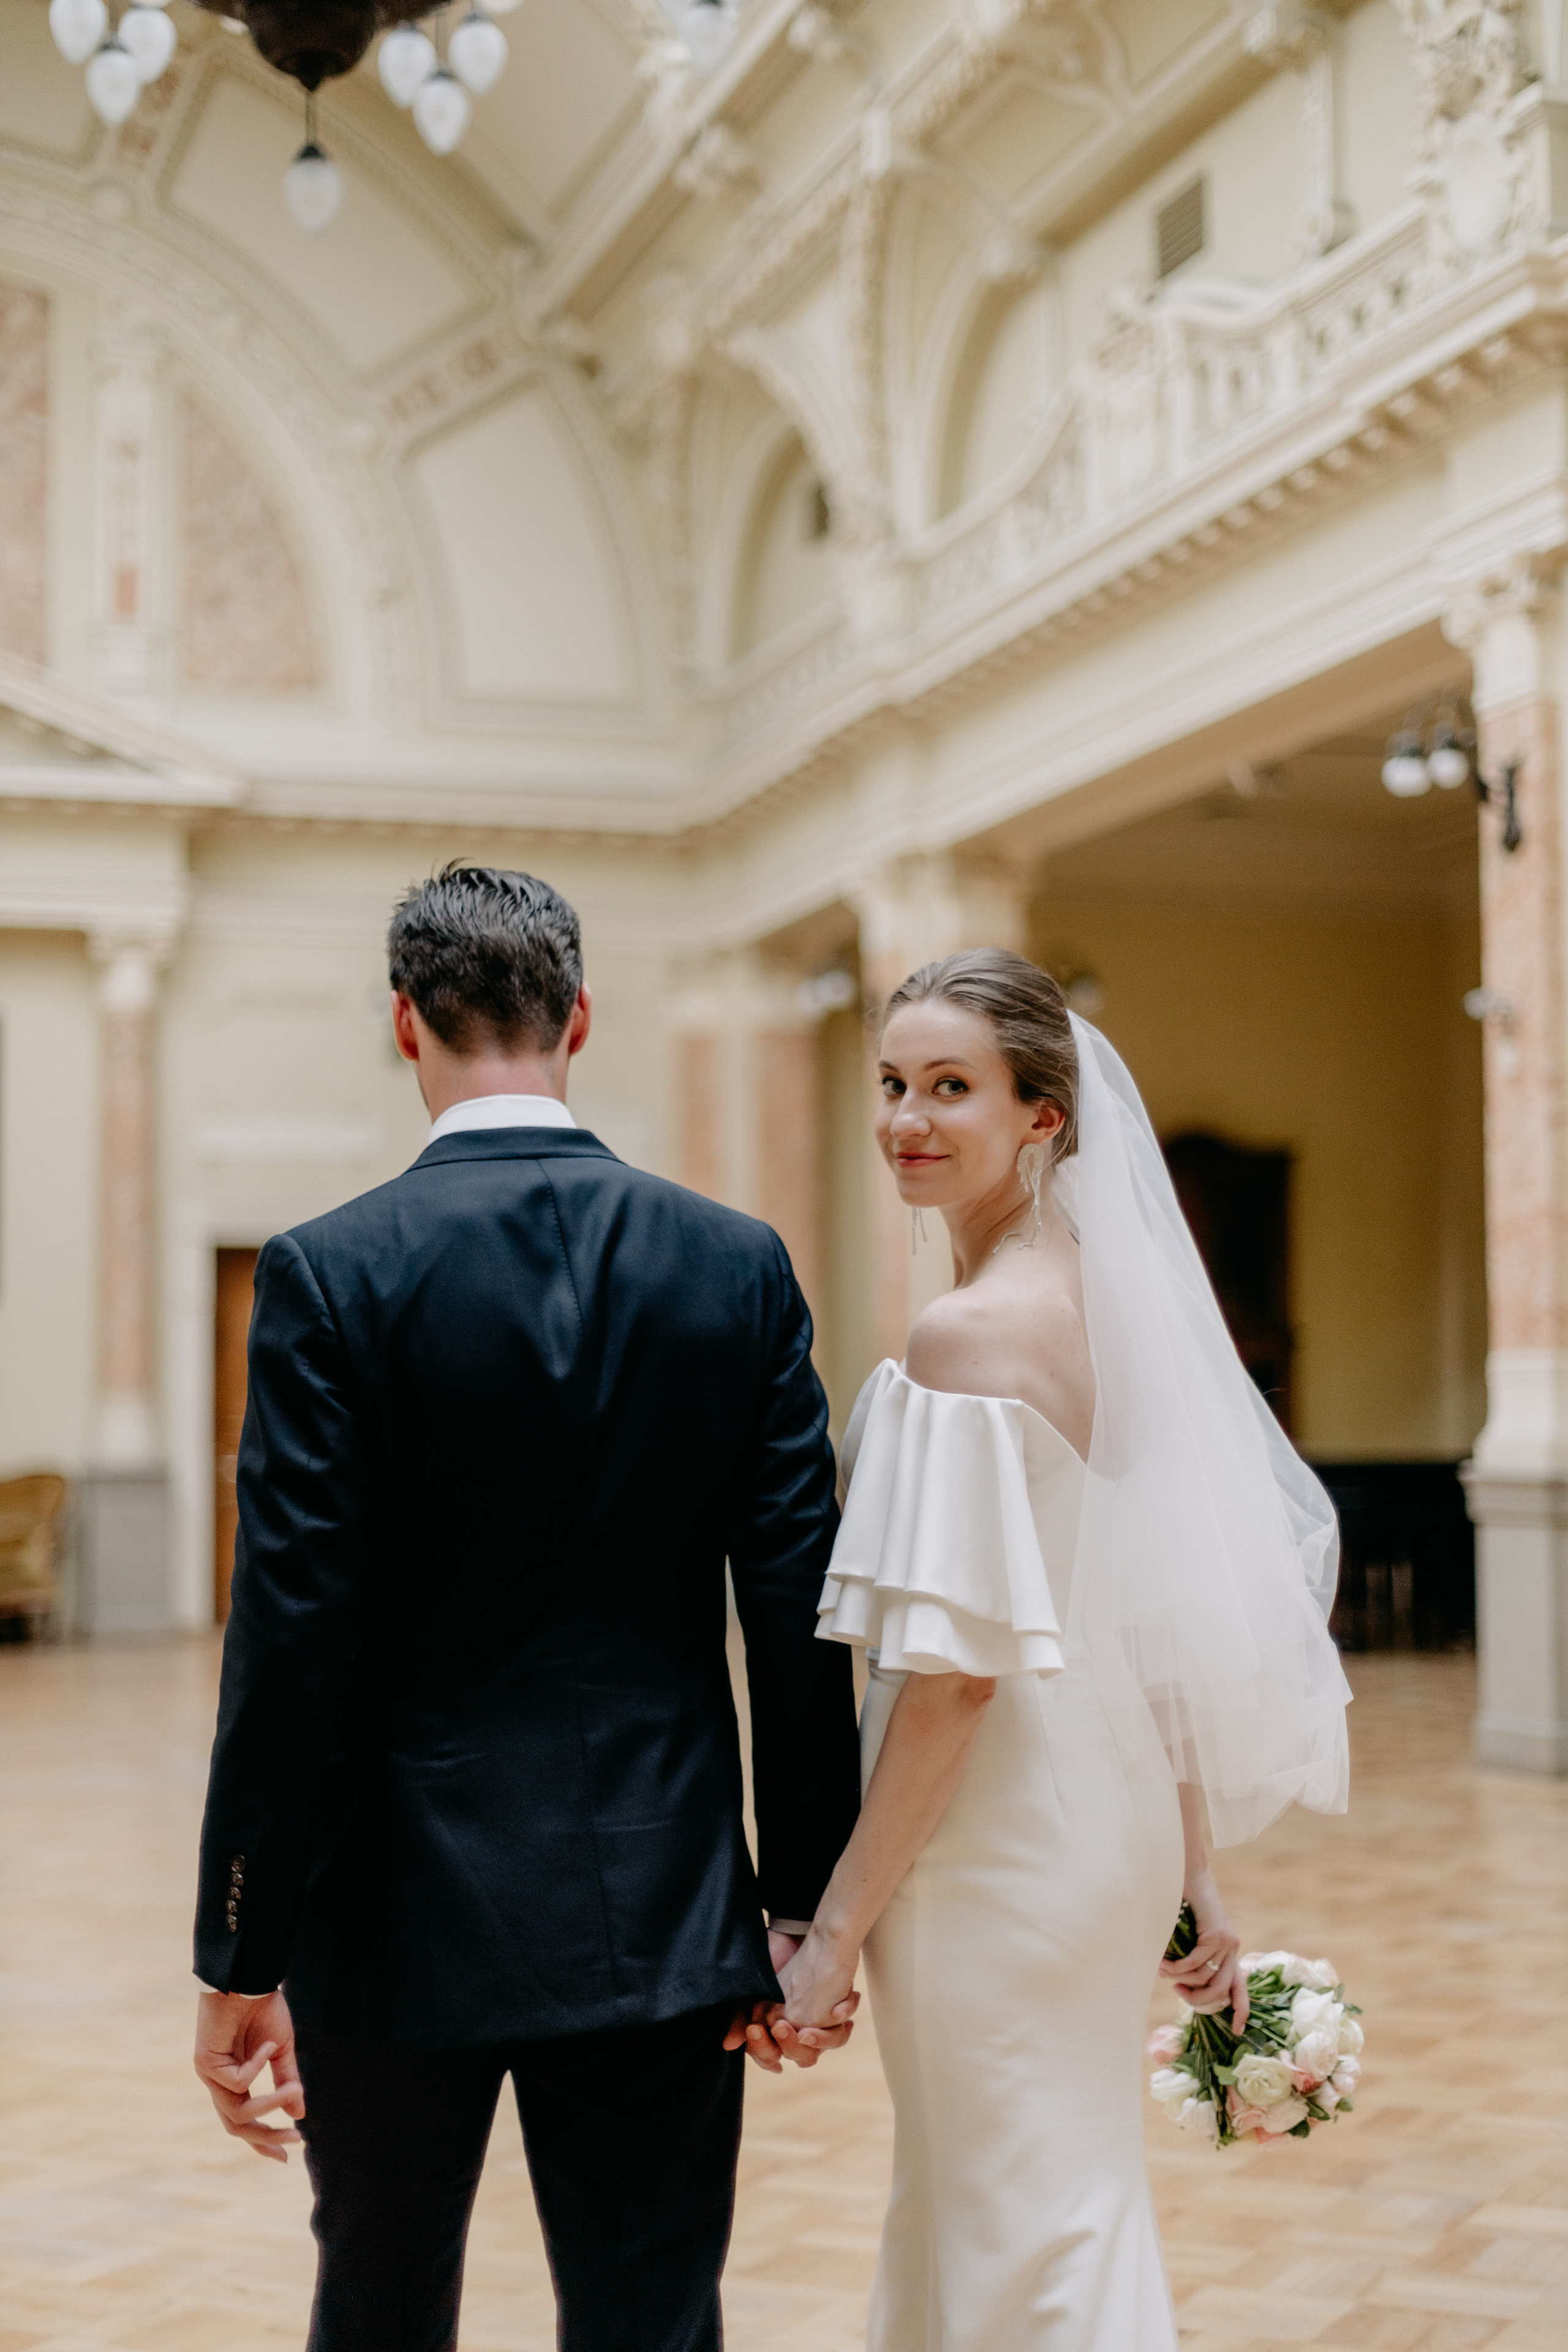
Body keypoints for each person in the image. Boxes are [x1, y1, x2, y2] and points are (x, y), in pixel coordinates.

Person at [190, 864, 862, 2352]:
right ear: (579, 1019)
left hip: (388, 1915)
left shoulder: (329, 1273)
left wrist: (240, 1949)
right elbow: (801, 1608)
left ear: (402, 1025)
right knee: (651, 2316)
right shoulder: (734, 1264)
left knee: (376, 2309)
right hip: (663, 1895)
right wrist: (801, 1902)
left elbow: (286, 1638)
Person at [777, 949, 1351, 2351]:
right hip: (1108, 1831)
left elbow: (956, 1678)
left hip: (989, 1842)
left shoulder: (966, 1333)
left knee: (1004, 2208)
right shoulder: (1119, 1308)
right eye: (894, 1085)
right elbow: (1149, 1613)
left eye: (951, 1089)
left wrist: (831, 1931)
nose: (907, 1119)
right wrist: (1191, 1869)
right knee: (1057, 2197)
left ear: (1043, 1116)